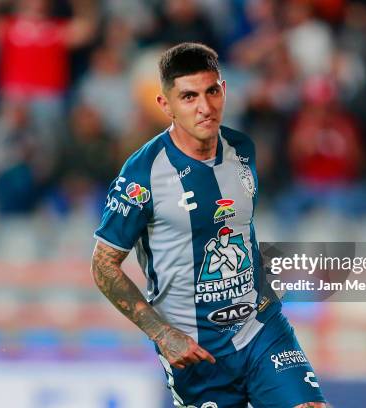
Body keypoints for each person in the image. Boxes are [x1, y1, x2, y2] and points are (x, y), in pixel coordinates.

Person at [91, 43, 326, 408]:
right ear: (165, 105)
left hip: (261, 329)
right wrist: (162, 334)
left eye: (212, 91)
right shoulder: (142, 176)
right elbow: (103, 265)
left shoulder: (242, 149)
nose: (205, 107)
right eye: (188, 97)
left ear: (224, 90)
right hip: (195, 352)